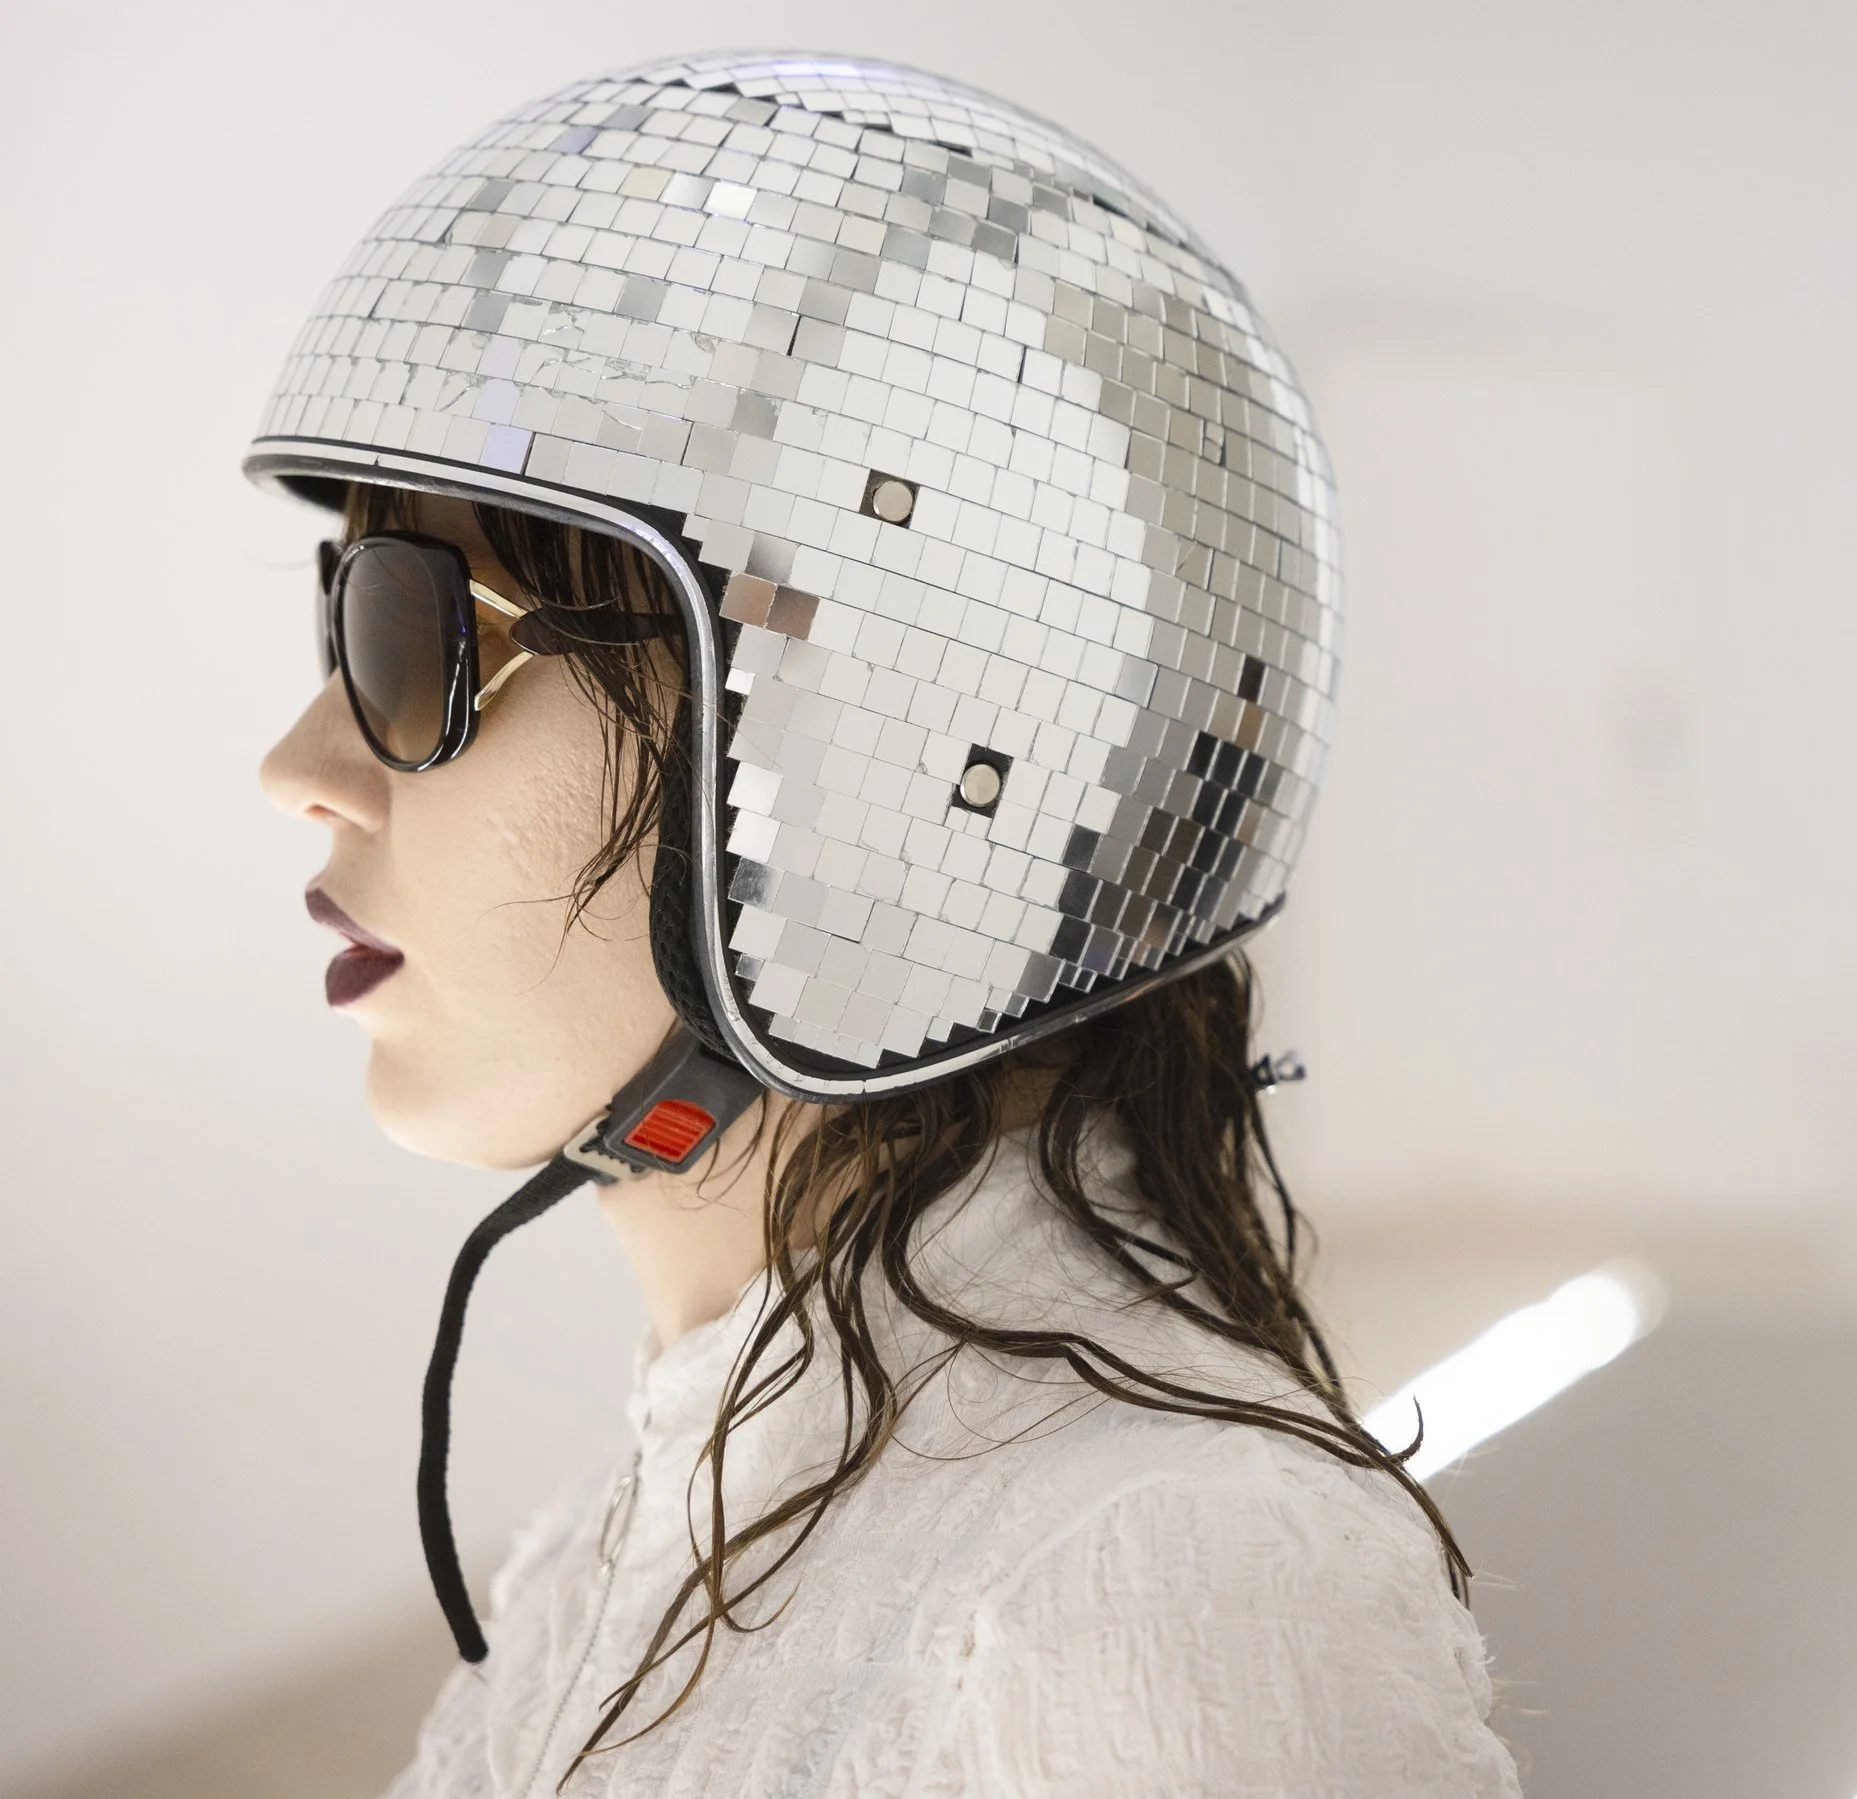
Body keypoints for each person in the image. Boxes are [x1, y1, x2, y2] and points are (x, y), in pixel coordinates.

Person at [253, 51, 1520, 1798]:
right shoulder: (612, 1548)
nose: (299, 765)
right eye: (339, 626)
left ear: (855, 767)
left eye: (411, 636)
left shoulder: (1154, 1574)